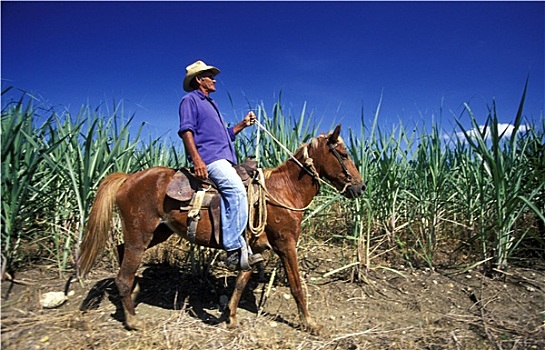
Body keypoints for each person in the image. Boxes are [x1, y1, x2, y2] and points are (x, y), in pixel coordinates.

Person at [178, 60, 262, 270]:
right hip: (211, 158)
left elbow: (225, 136)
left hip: (224, 157)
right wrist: (197, 160)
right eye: (209, 76)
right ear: (199, 79)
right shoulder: (190, 100)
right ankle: (233, 250)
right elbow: (186, 131)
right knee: (235, 191)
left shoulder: (212, 104)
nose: (214, 80)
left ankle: (246, 245)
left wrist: (243, 124)